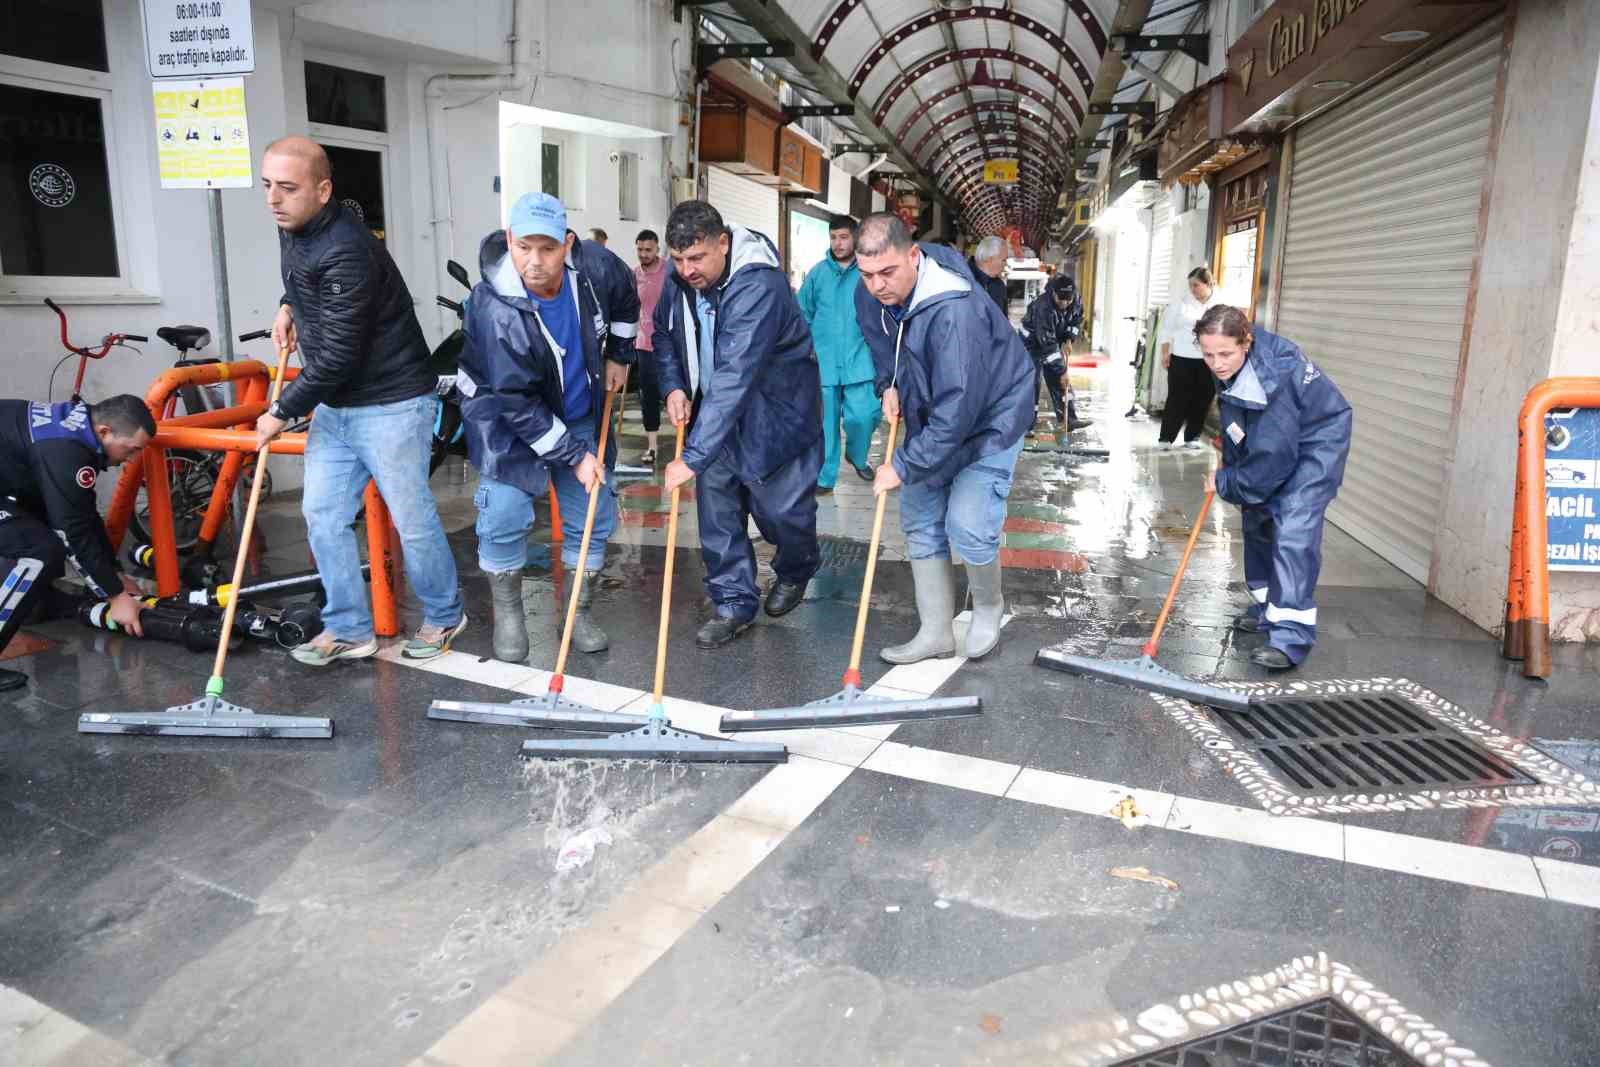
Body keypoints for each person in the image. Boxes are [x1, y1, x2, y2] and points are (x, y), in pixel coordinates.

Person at [255, 135, 466, 666]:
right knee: (323, 514)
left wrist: (280, 411)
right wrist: (287, 306)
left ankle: (445, 614)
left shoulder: (347, 249)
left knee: (410, 516)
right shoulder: (294, 227)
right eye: (267, 187)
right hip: (338, 403)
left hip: (391, 402)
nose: (274, 200)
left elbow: (340, 357)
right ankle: (349, 627)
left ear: (323, 191)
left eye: (287, 188)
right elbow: (301, 276)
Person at [457, 193, 633, 663]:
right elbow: (515, 401)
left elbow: (626, 298)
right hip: (507, 424)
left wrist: (620, 353)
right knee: (505, 516)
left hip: (577, 412)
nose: (535, 262)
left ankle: (576, 611)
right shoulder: (496, 305)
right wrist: (575, 456)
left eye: (548, 249)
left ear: (568, 245)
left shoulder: (595, 270)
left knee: (593, 514)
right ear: (510, 241)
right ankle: (511, 613)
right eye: (524, 248)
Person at [852, 213, 1034, 662]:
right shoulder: (870, 292)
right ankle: (936, 631)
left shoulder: (954, 309)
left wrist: (903, 464)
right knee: (919, 517)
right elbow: (882, 345)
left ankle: (989, 606)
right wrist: (886, 384)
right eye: (867, 274)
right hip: (933, 411)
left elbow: (958, 410)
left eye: (887, 272)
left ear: (913, 255)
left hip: (991, 418)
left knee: (968, 524)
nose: (877, 284)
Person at [655, 200, 822, 649]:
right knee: (719, 511)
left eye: (696, 259)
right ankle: (733, 602)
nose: (687, 270)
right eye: (678, 259)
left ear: (724, 244)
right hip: (715, 414)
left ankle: (796, 566)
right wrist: (673, 386)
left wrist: (691, 456)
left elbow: (736, 372)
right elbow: (664, 335)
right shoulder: (680, 283)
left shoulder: (759, 285)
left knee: (782, 513)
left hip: (777, 415)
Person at [1195, 305, 1352, 671]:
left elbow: (1271, 460)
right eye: (1208, 354)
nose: (1216, 363)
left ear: (1245, 342)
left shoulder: (1272, 379)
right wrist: (1230, 458)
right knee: (1259, 517)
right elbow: (1242, 421)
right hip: (1278, 439)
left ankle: (1292, 633)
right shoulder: (1237, 363)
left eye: (1225, 354)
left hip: (1318, 441)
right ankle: (1269, 606)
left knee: (1294, 525)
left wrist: (1226, 481)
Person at [0, 396, 152, 691]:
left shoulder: (77, 429)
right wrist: (115, 597)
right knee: (40, 552)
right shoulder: (65, 451)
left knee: (43, 523)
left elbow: (81, 512)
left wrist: (114, 574)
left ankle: (35, 605)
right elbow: (71, 531)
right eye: (131, 449)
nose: (130, 459)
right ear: (106, 432)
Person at [797, 215, 879, 496]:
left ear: (855, 238)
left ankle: (857, 456)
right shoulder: (818, 273)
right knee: (825, 425)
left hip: (860, 361)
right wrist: (805, 350)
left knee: (865, 415)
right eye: (833, 237)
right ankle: (825, 475)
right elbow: (801, 315)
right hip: (824, 363)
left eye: (843, 237)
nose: (838, 243)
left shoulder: (869, 271)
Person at [1158, 267, 1225, 450]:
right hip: (1181, 357)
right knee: (1177, 399)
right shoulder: (1181, 303)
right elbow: (1166, 330)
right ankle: (1166, 438)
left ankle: (1192, 437)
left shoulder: (1221, 304)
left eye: (1196, 285)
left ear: (1209, 284)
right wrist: (1165, 353)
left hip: (1209, 360)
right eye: (1190, 285)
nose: (1192, 289)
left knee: (1203, 399)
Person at [1020, 276, 1090, 434]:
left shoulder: (1076, 300)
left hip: (1051, 340)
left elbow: (1077, 320)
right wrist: (1062, 371)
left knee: (1060, 382)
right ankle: (1026, 425)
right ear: (1053, 293)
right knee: (1032, 384)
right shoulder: (1042, 307)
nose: (1065, 303)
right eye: (1061, 299)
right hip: (1031, 345)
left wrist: (1069, 338)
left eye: (1068, 300)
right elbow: (1048, 346)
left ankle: (1069, 419)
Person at [632, 228, 669, 466]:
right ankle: (652, 446)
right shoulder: (633, 275)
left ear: (657, 248)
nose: (644, 254)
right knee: (649, 397)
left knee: (679, 393)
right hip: (644, 344)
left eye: (648, 249)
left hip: (669, 343)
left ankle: (688, 443)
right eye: (640, 250)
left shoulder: (670, 271)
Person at [967, 235, 1009, 316]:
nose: (1006, 264)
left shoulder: (999, 286)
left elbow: (1003, 322)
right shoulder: (963, 280)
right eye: (1003, 260)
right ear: (989, 259)